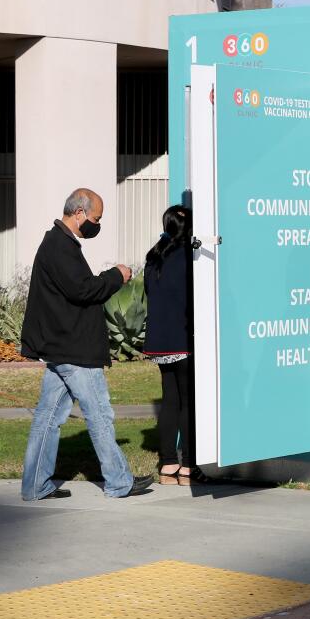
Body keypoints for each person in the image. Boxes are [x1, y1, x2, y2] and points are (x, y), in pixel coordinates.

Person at [19, 188, 154, 500]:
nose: (97, 224)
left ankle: (35, 484)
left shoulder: (58, 243)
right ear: (78, 213)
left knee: (48, 419)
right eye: (96, 218)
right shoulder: (58, 245)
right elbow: (83, 290)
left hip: (61, 348)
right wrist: (116, 275)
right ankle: (119, 482)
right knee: (99, 415)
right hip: (75, 350)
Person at [144, 205, 207, 485]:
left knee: (169, 400)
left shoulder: (154, 256)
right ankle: (189, 465)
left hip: (160, 342)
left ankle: (168, 462)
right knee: (187, 402)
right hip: (184, 338)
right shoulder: (190, 258)